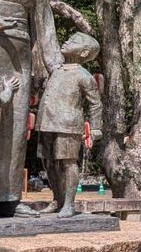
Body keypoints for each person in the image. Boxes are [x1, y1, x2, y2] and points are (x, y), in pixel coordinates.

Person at [0, 0, 63, 218]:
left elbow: (44, 19)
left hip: (19, 55)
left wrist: (54, 62)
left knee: (15, 125)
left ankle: (8, 198)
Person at [36, 32, 102, 218]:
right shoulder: (56, 70)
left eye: (73, 41)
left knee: (68, 162)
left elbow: (95, 103)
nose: (67, 41)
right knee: (48, 162)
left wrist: (96, 128)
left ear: (84, 52)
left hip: (68, 124)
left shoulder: (84, 76)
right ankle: (57, 199)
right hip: (46, 122)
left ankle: (69, 204)